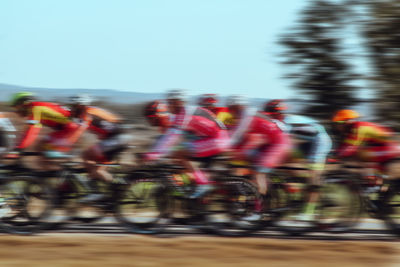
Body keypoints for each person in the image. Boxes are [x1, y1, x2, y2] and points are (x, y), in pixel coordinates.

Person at [144, 89, 230, 199]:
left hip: (218, 140)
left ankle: (203, 184)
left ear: (180, 102)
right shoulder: (181, 114)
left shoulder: (184, 113)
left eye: (171, 102)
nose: (168, 106)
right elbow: (170, 137)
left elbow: (172, 136)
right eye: (169, 102)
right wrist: (157, 152)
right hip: (211, 139)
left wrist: (154, 154)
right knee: (178, 155)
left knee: (180, 153)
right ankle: (196, 184)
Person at [265, 99, 332, 220]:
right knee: (283, 161)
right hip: (309, 141)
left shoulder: (284, 122)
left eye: (271, 113)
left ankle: (308, 212)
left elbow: (281, 143)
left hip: (320, 141)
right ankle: (296, 183)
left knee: (313, 176)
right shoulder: (281, 121)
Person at [68, 94, 132, 203]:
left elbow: (78, 133)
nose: (72, 108)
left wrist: (67, 146)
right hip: (116, 138)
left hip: (117, 139)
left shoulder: (87, 114)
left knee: (86, 155)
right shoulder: (91, 111)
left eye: (74, 106)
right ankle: (114, 189)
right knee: (97, 170)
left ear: (81, 105)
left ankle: (96, 192)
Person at [231, 100, 291, 201]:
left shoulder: (270, 120)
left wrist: (239, 149)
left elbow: (255, 138)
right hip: (274, 145)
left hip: (277, 146)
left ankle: (261, 203)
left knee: (259, 172)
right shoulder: (276, 121)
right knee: (252, 161)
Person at [10, 92, 84, 160]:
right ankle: (54, 170)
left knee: (46, 149)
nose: (16, 111)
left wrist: (19, 149)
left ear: (24, 104)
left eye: (17, 107)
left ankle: (64, 168)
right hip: (69, 128)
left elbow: (32, 131)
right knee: (41, 148)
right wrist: (19, 146)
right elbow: (28, 131)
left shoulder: (36, 109)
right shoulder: (37, 107)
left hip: (71, 129)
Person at [332, 109, 400, 180]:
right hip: (385, 147)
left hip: (389, 148)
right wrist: (335, 155)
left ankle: (372, 181)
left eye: (340, 122)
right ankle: (375, 181)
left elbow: (351, 147)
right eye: (336, 123)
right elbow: (345, 145)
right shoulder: (351, 130)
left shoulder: (358, 127)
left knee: (362, 155)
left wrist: (336, 157)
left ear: (347, 121)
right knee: (360, 156)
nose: (337, 125)